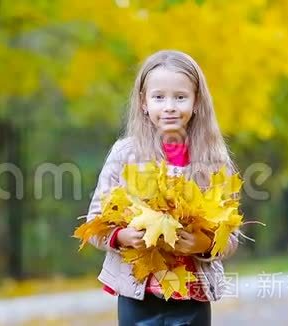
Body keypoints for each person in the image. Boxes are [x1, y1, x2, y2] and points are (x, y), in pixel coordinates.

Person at [85, 50, 240, 325]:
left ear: (196, 103)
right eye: (159, 97)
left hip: (191, 292)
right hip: (139, 290)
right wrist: (121, 237)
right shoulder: (125, 154)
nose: (169, 106)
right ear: (144, 102)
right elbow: (95, 221)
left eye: (180, 97)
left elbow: (231, 233)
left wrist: (204, 244)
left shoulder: (213, 158)